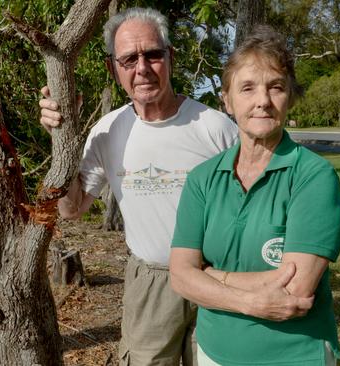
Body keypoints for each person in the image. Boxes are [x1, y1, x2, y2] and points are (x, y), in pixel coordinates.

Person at [39, 8, 314, 365]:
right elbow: (70, 210)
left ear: (171, 57)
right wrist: (61, 142)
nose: (142, 68)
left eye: (153, 54)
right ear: (113, 68)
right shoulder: (107, 132)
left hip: (218, 277)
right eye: (129, 59)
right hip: (150, 282)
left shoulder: (216, 128)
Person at [169, 25, 340, 366]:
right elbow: (179, 275)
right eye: (247, 88)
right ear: (227, 100)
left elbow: (295, 290)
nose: (262, 101)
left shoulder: (314, 177)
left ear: (290, 96)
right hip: (212, 352)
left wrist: (210, 275)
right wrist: (252, 301)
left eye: (276, 87)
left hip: (293, 356)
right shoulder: (202, 179)